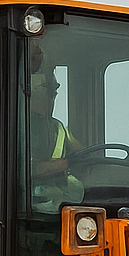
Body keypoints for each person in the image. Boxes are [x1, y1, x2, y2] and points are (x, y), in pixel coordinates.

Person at [27, 62, 84, 213]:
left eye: (53, 93)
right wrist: (55, 166)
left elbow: (84, 159)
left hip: (56, 203)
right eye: (49, 92)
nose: (52, 99)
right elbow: (14, 171)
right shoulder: (12, 127)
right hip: (26, 203)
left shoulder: (58, 128)